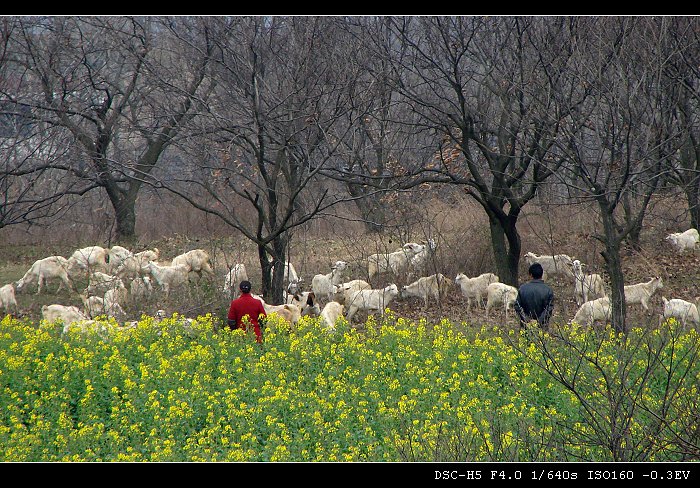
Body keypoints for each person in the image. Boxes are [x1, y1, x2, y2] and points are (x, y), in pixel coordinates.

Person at [514, 262, 554, 330]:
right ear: (542, 275)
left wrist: (527, 320)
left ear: (530, 275)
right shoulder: (548, 290)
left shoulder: (522, 289)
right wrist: (538, 322)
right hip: (542, 328)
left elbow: (517, 306)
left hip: (526, 327)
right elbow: (548, 309)